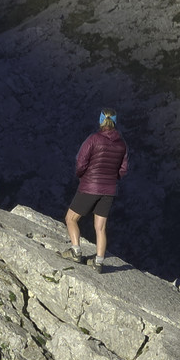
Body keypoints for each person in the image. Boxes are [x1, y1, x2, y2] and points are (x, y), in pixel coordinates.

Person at [65, 110, 128, 269]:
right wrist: (112, 179)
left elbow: (81, 162)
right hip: (109, 190)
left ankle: (75, 252)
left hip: (90, 186)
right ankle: (98, 262)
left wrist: (82, 175)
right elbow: (123, 169)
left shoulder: (93, 139)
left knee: (71, 218)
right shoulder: (122, 144)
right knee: (100, 227)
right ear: (115, 122)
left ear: (101, 120)